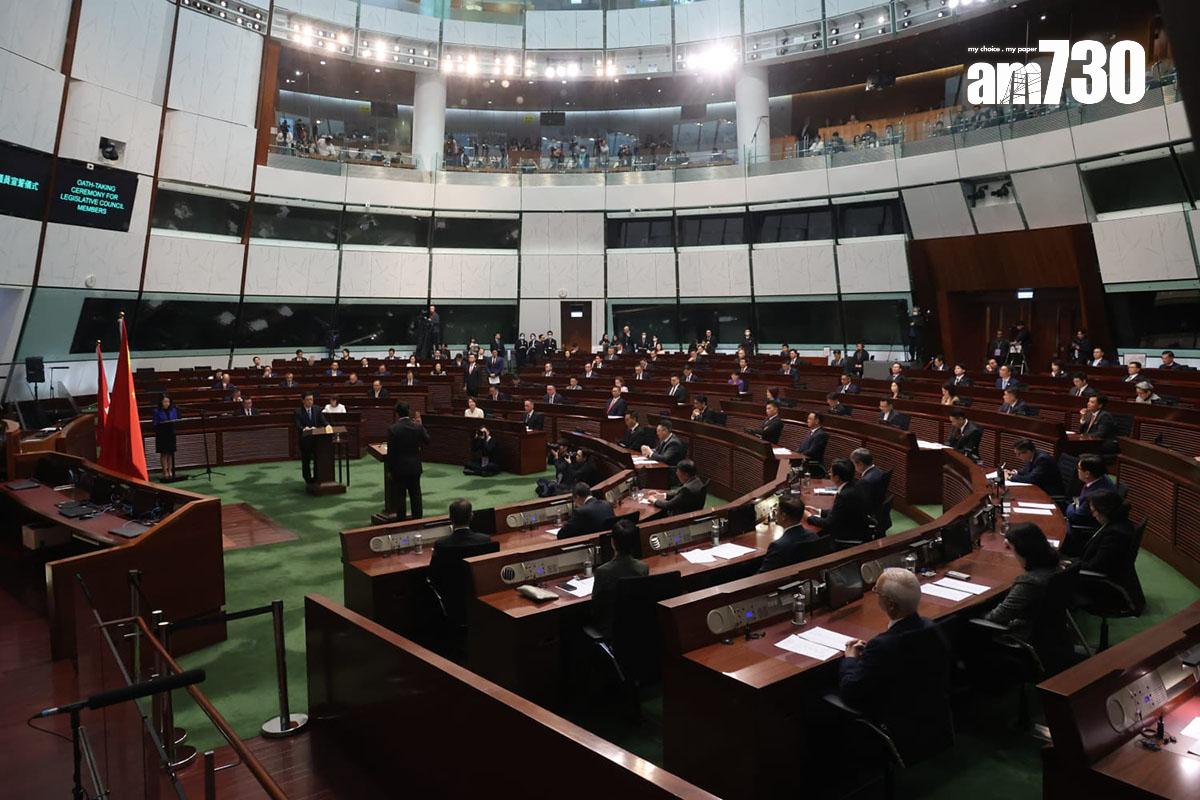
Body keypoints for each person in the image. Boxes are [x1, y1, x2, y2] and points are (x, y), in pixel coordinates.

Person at [838, 568, 951, 763]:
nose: (875, 594)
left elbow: (850, 691)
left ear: (890, 604)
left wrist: (850, 659)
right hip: (930, 715)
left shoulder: (882, 645)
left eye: (876, 591)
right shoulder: (930, 627)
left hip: (895, 721)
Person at [983, 523, 1075, 675]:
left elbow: (996, 617)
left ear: (1022, 551)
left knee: (968, 623)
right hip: (1055, 634)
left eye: (1010, 548)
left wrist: (979, 614)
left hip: (1026, 637)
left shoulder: (1029, 582)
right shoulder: (1057, 566)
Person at [1070, 489, 1145, 614]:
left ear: (1104, 511)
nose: (1093, 515)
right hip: (1101, 572)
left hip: (1106, 586)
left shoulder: (1116, 534)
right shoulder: (1118, 524)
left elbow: (1097, 567)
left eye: (1094, 511)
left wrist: (1068, 564)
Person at [590, 519, 649, 639]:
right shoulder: (643, 568)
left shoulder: (602, 572)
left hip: (610, 629)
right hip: (637, 626)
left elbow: (595, 609)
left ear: (612, 542)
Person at [806, 459, 870, 543]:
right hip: (858, 526)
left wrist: (808, 517)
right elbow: (839, 512)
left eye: (831, 472)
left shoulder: (844, 496)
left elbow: (829, 524)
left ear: (837, 478)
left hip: (849, 534)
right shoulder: (854, 485)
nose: (829, 473)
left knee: (809, 536)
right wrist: (818, 511)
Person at [757, 495, 824, 573]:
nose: (775, 514)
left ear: (783, 516)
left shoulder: (778, 546)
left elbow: (763, 575)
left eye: (777, 511)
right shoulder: (813, 536)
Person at [386, 402, 430, 520]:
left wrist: (390, 470)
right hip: (415, 467)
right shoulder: (417, 427)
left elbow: (391, 453)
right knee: (416, 495)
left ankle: (402, 522)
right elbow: (427, 440)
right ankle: (418, 520)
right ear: (409, 412)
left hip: (399, 469)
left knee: (400, 497)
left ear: (397, 414)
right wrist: (421, 426)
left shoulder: (393, 429)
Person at [429, 499, 492, 572]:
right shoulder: (485, 540)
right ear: (471, 516)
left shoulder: (441, 545)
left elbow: (433, 573)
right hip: (479, 582)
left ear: (450, 518)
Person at [1066, 454, 1110, 529]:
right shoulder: (1100, 478)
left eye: (1079, 468)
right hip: (1082, 514)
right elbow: (1077, 499)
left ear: (1087, 474)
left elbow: (1076, 516)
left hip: (1084, 528)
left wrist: (1071, 506)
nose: (1077, 470)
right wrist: (1076, 503)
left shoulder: (1094, 494)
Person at [294, 392, 327, 484]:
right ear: (303, 401)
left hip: (317, 440)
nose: (310, 401)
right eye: (308, 400)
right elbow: (297, 425)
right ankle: (308, 479)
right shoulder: (298, 411)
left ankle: (317, 477)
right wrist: (305, 429)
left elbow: (323, 421)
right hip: (305, 441)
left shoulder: (317, 409)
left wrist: (328, 426)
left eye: (311, 399)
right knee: (306, 460)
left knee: (317, 459)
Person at [152, 395, 180, 479]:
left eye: (168, 402)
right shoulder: (156, 411)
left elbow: (175, 419)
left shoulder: (173, 410)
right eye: (165, 402)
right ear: (161, 402)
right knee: (164, 453)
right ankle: (165, 470)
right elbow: (154, 423)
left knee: (170, 453)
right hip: (162, 434)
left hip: (171, 433)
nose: (166, 403)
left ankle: (170, 470)